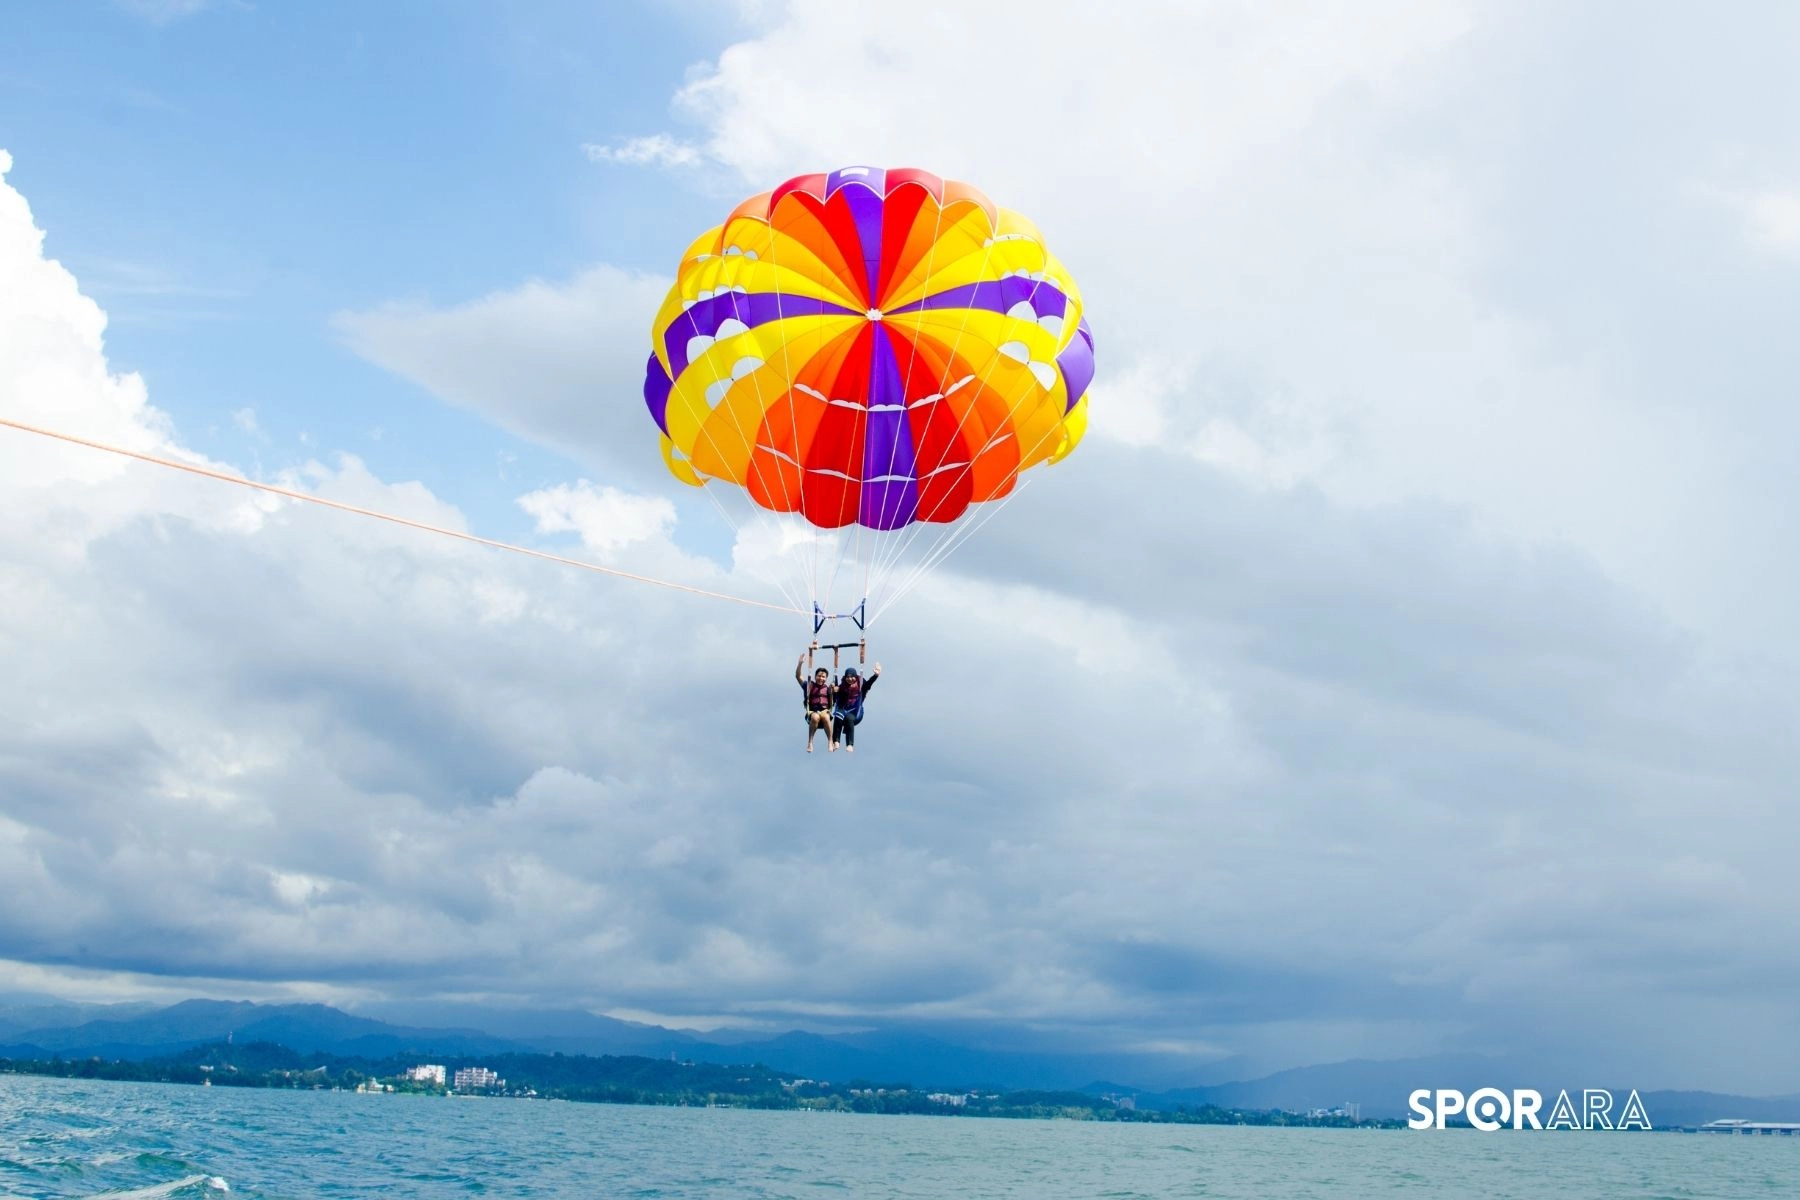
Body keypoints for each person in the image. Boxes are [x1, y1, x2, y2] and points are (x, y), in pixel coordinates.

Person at [830, 662, 881, 753]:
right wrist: (834, 690)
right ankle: (836, 741)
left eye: (852, 676)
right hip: (843, 709)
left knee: (849, 718)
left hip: (856, 712)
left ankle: (850, 744)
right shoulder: (842, 686)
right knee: (838, 715)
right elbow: (835, 698)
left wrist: (876, 675)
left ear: (855, 676)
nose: (850, 679)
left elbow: (869, 684)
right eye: (848, 677)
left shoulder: (861, 683)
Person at [796, 655, 835, 753]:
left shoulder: (829, 689)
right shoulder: (809, 686)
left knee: (826, 717)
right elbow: (798, 676)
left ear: (826, 678)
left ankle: (830, 741)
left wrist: (835, 689)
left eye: (823, 677)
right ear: (815, 676)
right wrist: (800, 663)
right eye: (819, 676)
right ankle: (810, 742)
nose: (821, 678)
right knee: (815, 717)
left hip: (825, 711)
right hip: (813, 711)